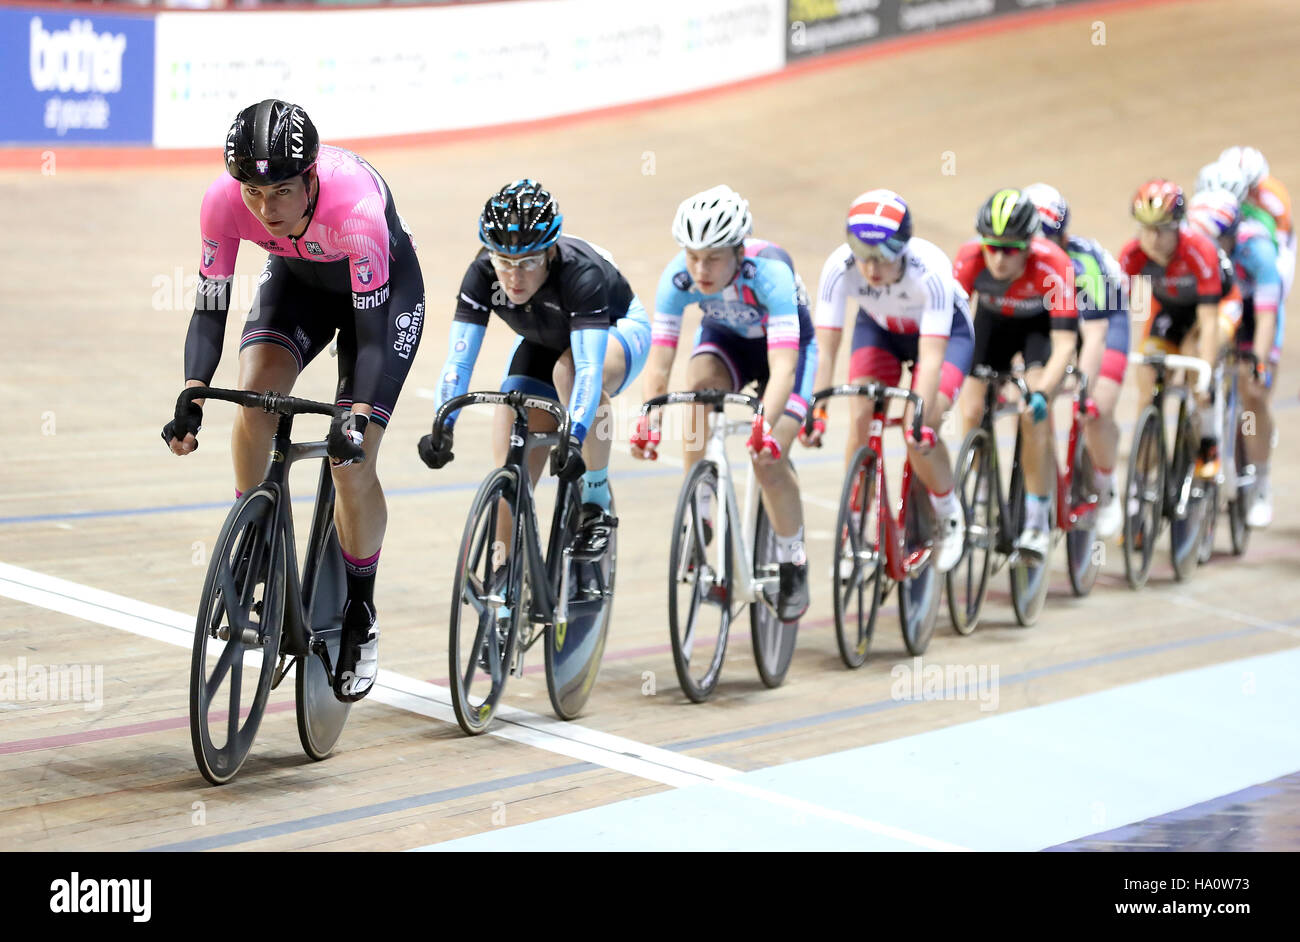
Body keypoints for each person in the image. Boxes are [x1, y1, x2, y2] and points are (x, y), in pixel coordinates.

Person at [163, 99, 425, 702]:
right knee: (254, 398)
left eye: (280, 191)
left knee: (351, 463)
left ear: (310, 177)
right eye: (253, 193)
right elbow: (209, 308)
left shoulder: (355, 205)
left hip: (381, 303)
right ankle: (250, 530)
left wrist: (355, 421)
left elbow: (372, 335)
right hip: (299, 283)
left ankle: (360, 611)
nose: (265, 209)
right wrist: (193, 394)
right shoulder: (222, 202)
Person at [420, 179, 652, 557]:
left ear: (550, 253)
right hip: (543, 340)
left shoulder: (581, 273)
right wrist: (442, 425)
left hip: (614, 332)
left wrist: (573, 436)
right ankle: (503, 589)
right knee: (509, 461)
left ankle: (596, 501)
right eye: (504, 262)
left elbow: (590, 369)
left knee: (569, 373)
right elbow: (459, 360)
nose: (514, 276)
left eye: (528, 263)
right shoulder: (481, 273)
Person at [631, 185, 816, 622]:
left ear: (738, 251)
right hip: (726, 343)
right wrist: (649, 416)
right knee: (696, 388)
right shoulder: (677, 278)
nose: (700, 268)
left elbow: (784, 366)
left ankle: (793, 561)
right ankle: (703, 504)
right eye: (693, 255)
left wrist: (765, 426)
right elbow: (661, 359)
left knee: (767, 458)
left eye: (713, 257)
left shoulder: (771, 272)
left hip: (786, 353)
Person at [803, 188, 972, 572]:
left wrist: (919, 416)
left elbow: (930, 360)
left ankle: (948, 513)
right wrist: (817, 410)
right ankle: (857, 528)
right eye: (863, 255)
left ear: (903, 248)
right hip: (879, 330)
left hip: (946, 336)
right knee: (861, 420)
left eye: (882, 257)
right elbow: (825, 349)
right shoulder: (839, 268)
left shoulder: (930, 272)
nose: (871, 269)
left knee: (921, 429)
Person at [954, 189, 1079, 561]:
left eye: (1009, 249)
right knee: (972, 408)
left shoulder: (1053, 264)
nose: (997, 257)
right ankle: (980, 490)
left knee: (1032, 413)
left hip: (1037, 331)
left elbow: (1065, 345)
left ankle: (1038, 519)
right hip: (991, 327)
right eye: (991, 246)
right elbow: (948, 328)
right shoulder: (969, 258)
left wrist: (1042, 393)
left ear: (1028, 245)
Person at [1023, 182, 1129, 539]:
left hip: (1102, 319)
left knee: (1095, 407)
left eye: (1045, 240)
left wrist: (1083, 386)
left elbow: (1096, 335)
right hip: (1058, 322)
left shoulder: (1084, 263)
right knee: (1032, 396)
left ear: (1062, 236)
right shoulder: (1022, 261)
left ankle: (1107, 486)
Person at [1186, 187, 1282, 527]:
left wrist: (1257, 357)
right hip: (1219, 306)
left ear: (1230, 239)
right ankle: (1206, 438)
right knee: (1196, 360)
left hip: (1256, 314)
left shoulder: (1258, 251)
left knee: (1252, 392)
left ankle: (1259, 480)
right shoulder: (1194, 250)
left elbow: (1268, 314)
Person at [1120, 178, 1223, 479]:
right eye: (1144, 228)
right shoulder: (1132, 254)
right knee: (1148, 379)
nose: (1151, 239)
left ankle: (1208, 441)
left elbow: (1210, 319)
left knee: (1195, 358)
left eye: (1160, 229)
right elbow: (1113, 310)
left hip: (1207, 312)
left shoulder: (1198, 251)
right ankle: (1144, 473)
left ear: (1177, 226)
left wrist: (1205, 370)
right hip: (1169, 314)